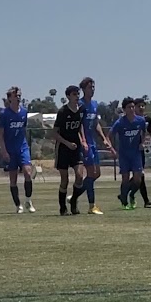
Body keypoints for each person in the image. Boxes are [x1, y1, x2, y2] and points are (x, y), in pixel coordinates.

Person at [77, 77, 116, 215]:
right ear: (83, 89)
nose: (92, 90)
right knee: (91, 173)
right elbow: (79, 124)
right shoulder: (80, 104)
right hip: (85, 143)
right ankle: (91, 206)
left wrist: (104, 139)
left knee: (96, 174)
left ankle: (75, 196)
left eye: (93, 87)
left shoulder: (94, 104)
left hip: (92, 142)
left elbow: (96, 124)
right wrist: (82, 141)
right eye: (89, 87)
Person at [0, 86, 37, 214]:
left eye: (19, 95)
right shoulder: (4, 114)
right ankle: (18, 205)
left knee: (27, 172)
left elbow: (23, 129)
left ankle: (28, 201)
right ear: (10, 99)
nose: (18, 98)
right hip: (10, 149)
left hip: (22, 147)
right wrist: (3, 150)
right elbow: (1, 134)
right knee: (13, 179)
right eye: (15, 96)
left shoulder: (24, 112)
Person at [53, 85, 89, 215]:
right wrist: (67, 143)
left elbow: (80, 127)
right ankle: (63, 207)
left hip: (76, 147)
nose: (77, 96)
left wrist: (83, 141)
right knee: (65, 179)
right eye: (74, 94)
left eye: (78, 94)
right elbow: (55, 133)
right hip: (63, 147)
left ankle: (73, 201)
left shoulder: (82, 109)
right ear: (68, 96)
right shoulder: (63, 112)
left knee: (80, 176)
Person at [109, 98, 148, 210]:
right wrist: (112, 148)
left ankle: (131, 194)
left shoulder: (140, 120)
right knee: (125, 179)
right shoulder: (120, 123)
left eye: (132, 107)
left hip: (136, 153)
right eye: (129, 107)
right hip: (124, 155)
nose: (131, 109)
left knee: (138, 179)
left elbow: (144, 131)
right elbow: (109, 135)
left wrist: (142, 142)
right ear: (124, 109)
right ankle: (124, 200)